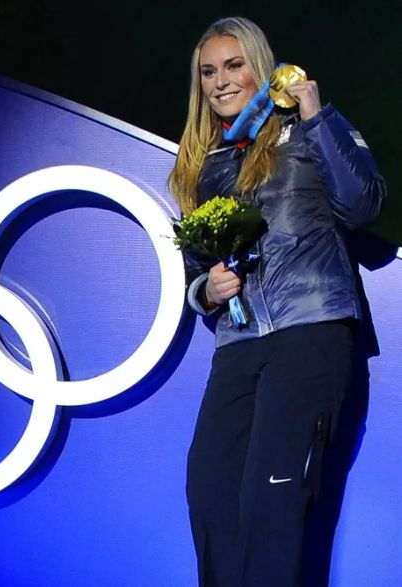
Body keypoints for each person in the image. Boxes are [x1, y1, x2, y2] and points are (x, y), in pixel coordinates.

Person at [168, 16, 386, 587]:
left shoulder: (306, 131)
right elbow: (196, 270)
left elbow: (363, 206)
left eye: (234, 64)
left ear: (260, 65)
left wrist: (316, 115)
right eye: (208, 71)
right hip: (239, 344)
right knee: (210, 492)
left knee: (275, 505)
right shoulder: (205, 165)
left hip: (310, 331)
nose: (220, 81)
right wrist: (205, 290)